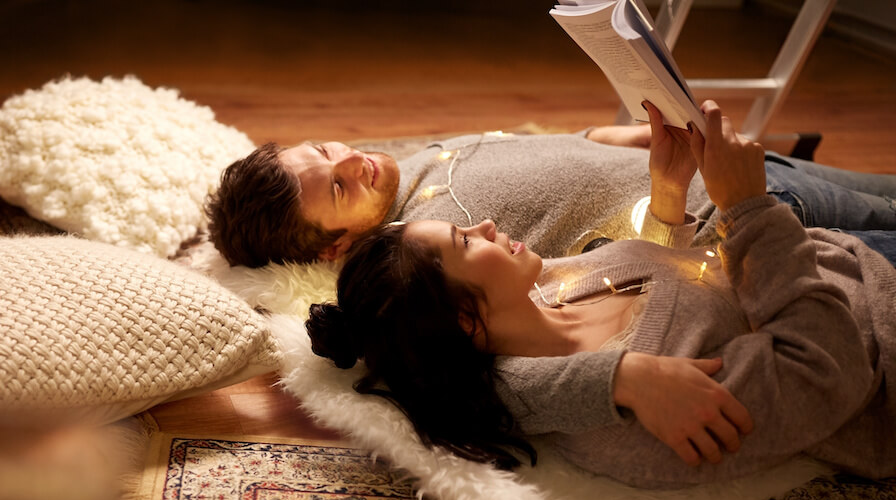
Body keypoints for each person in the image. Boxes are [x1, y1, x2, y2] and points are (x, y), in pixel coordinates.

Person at [305, 101, 896, 489]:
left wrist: (668, 192)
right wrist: (749, 209)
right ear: (466, 320)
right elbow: (829, 369)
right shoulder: (643, 418)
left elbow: (671, 270)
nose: (485, 225)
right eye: (466, 240)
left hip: (841, 253)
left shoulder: (545, 293)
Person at [206, 118, 896, 269]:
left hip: (736, 165)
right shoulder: (434, 242)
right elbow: (607, 279)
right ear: (337, 246)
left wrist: (610, 134)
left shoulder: (414, 163)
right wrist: (667, 195)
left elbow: (529, 148)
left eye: (329, 150)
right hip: (734, 213)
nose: (353, 158)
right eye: (337, 185)